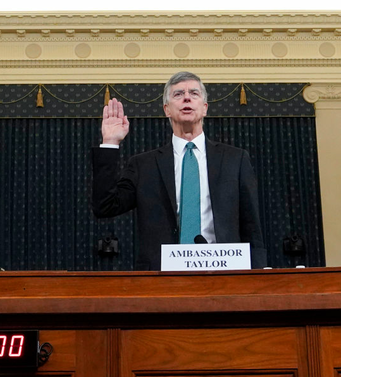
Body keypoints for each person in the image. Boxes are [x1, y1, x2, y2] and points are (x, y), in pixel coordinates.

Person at [92, 71, 266, 270]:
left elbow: (252, 227)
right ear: (166, 109)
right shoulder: (144, 165)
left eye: (194, 93)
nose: (186, 97)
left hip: (224, 273)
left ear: (205, 108)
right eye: (178, 94)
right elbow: (105, 206)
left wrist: (257, 277)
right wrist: (110, 143)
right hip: (163, 277)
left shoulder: (235, 160)